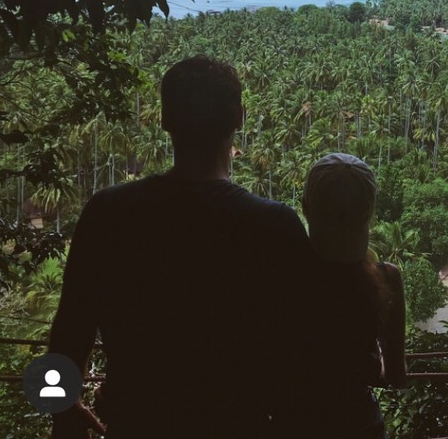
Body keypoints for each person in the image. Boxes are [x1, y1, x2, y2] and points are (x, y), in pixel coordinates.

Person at [49, 55, 314, 438]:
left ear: (164, 120)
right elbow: (302, 355)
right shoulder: (275, 226)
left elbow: (67, 333)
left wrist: (60, 411)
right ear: (239, 117)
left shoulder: (108, 214)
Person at [289, 153, 406, 439]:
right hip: (359, 425)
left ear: (305, 207)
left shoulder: (285, 272)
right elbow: (395, 376)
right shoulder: (387, 277)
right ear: (369, 212)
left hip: (295, 422)